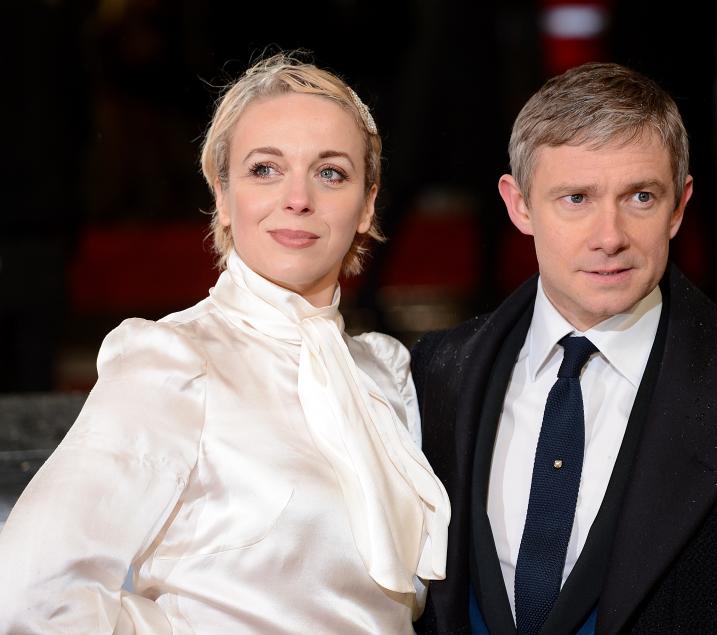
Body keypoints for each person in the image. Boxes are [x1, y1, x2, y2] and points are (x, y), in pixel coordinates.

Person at [411, 63, 717, 634]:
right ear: (519, 205)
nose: (610, 236)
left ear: (679, 206)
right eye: (577, 198)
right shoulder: (434, 375)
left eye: (640, 196)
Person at [0, 52, 450, 633]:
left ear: (366, 204)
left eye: (331, 172)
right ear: (222, 194)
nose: (298, 198)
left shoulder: (384, 373)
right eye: (265, 169)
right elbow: (31, 595)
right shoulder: (173, 362)